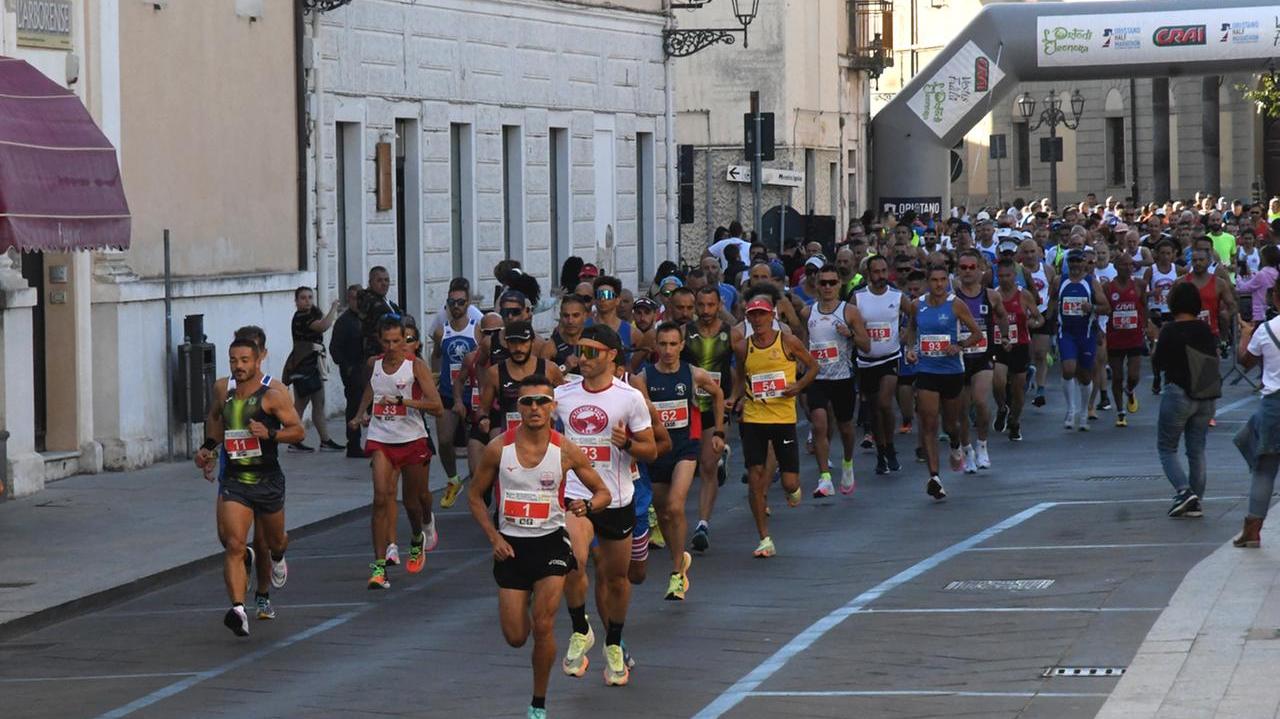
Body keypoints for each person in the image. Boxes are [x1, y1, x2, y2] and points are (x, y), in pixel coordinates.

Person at [468, 375, 611, 719]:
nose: (535, 408)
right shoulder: (498, 448)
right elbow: (474, 496)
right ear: (517, 407)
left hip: (550, 546)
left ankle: (538, 703)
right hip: (511, 550)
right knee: (516, 637)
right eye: (527, 402)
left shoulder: (566, 450)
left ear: (553, 407)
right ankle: (528, 608)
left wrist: (587, 506)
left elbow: (603, 493)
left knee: (543, 625)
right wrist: (494, 538)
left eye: (542, 402)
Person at [556, 324, 657, 686]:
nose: (582, 358)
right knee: (572, 560)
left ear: (612, 355)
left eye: (591, 352)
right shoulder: (562, 395)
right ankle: (580, 628)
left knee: (616, 578)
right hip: (576, 495)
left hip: (616, 498)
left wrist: (627, 444)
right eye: (579, 350)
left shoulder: (629, 398)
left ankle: (614, 642)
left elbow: (651, 449)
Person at [195, 337, 305, 636]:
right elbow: (217, 420)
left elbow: (298, 431)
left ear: (258, 361)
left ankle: (278, 556)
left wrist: (270, 433)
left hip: (267, 480)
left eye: (244, 360)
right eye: (234, 360)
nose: (238, 366)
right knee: (233, 544)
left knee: (274, 542)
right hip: (235, 480)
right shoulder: (224, 390)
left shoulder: (273, 395)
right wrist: (208, 449)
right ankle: (238, 610)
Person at [350, 316, 445, 588]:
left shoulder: (415, 366)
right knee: (380, 498)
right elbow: (372, 388)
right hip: (381, 438)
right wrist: (360, 414)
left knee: (411, 503)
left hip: (412, 439)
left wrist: (405, 401)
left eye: (397, 341)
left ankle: (416, 537)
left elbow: (437, 407)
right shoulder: (374, 364)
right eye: (386, 341)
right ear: (379, 340)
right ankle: (378, 569)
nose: (392, 347)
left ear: (405, 339)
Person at [636, 322, 724, 600]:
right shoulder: (643, 378)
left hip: (685, 448)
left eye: (673, 344)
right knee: (664, 513)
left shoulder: (693, 374)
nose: (668, 350)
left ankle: (676, 572)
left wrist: (719, 431)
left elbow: (718, 394)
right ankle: (679, 557)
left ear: (682, 345)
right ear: (655, 346)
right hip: (657, 451)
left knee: (675, 505)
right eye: (663, 344)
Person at [731, 284, 818, 558]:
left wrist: (798, 386)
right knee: (755, 478)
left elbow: (813, 366)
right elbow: (740, 377)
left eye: (762, 314)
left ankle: (793, 489)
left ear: (772, 316)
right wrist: (734, 398)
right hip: (754, 418)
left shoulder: (788, 342)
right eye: (753, 315)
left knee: (790, 482)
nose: (757, 320)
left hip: (783, 419)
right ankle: (764, 538)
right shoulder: (743, 347)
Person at [905, 265, 984, 500]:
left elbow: (977, 333)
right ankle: (935, 477)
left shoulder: (956, 304)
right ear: (927, 282)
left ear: (947, 282)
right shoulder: (917, 305)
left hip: (951, 371)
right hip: (927, 370)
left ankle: (955, 443)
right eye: (934, 280)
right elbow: (911, 329)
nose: (938, 284)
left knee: (951, 424)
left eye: (942, 280)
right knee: (929, 423)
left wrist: (959, 346)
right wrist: (911, 349)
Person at [1151, 282, 1217, 518]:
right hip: (1205, 395)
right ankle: (1196, 501)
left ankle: (1184, 490)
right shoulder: (1205, 329)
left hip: (1178, 392)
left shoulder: (1170, 330)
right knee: (1196, 450)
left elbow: (1158, 361)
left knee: (1167, 447)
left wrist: (1155, 342)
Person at [684, 286, 742, 552]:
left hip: (717, 409)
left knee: (707, 466)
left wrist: (735, 395)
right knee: (691, 465)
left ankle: (702, 524)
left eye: (711, 305)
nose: (706, 311)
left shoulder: (732, 333)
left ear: (719, 305)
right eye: (701, 305)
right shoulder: (684, 333)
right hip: (690, 409)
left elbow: (743, 366)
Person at [804, 264, 870, 494]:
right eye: (823, 283)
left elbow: (866, 345)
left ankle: (848, 462)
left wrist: (850, 334)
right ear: (817, 285)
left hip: (843, 378)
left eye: (832, 282)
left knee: (845, 428)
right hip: (817, 378)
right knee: (819, 425)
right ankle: (825, 478)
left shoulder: (849, 311)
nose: (828, 287)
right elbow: (802, 343)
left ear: (839, 284)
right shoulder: (808, 313)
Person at [954, 249, 1012, 471]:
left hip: (983, 355)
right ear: (958, 271)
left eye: (972, 267)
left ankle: (982, 445)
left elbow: (1002, 315)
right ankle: (967, 450)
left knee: (980, 401)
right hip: (959, 357)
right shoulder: (953, 297)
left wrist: (1004, 336)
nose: (968, 272)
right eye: (963, 268)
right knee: (961, 409)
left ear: (981, 270)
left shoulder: (991, 295)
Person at [1233, 289, 1280, 547]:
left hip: (1274, 406)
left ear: (1276, 299)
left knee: (1264, 470)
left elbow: (1245, 361)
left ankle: (1252, 530)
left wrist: (1245, 334)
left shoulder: (1266, 330)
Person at [432, 280, 479, 508]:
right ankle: (453, 479)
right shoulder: (441, 331)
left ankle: (479, 487)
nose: (457, 306)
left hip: (472, 393)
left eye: (461, 302)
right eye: (452, 302)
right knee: (444, 440)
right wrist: (434, 378)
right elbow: (436, 355)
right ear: (448, 304)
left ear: (468, 303)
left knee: (474, 445)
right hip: (448, 392)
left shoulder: (477, 329)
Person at [1053, 250, 1111, 431]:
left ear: (1084, 263)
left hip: (1086, 334)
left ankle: (1085, 411)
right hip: (1066, 333)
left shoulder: (1091, 282)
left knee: (1086, 376)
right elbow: (1052, 302)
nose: (1075, 265)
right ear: (1068, 263)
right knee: (1068, 369)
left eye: (1079, 261)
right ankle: (1071, 410)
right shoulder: (1059, 281)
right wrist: (1048, 323)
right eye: (1072, 261)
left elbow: (1106, 307)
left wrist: (1092, 307)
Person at [479, 322, 565, 439]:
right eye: (513, 343)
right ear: (506, 343)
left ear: (532, 342)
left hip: (544, 435)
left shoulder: (550, 369)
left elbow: (564, 402)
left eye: (523, 342)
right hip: (509, 435)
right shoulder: (495, 373)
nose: (518, 348)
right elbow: (483, 408)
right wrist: (483, 419)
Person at [285, 286, 342, 452]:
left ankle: (325, 440)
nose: (307, 301)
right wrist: (334, 308)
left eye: (310, 297)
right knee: (301, 403)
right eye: (303, 298)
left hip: (313, 364)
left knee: (319, 402)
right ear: (296, 301)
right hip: (303, 365)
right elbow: (323, 326)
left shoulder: (310, 314)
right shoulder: (301, 317)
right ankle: (293, 439)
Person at [992, 258, 1043, 441]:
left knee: (1018, 389)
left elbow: (1039, 317)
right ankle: (1001, 408)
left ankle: (1015, 421)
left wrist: (1032, 323)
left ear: (1015, 275)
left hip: (1019, 345)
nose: (1005, 279)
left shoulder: (1024, 295)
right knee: (998, 382)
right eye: (1001, 276)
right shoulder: (993, 295)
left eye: (1008, 275)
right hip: (999, 344)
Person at [1105, 253, 1151, 428]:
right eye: (1124, 264)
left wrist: (1146, 326)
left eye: (1131, 264)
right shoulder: (1107, 287)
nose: (1128, 268)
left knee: (1133, 376)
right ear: (1116, 266)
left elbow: (1144, 306)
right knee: (1117, 376)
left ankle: (1130, 390)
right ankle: (1120, 412)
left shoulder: (1139, 284)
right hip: (1115, 336)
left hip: (1134, 336)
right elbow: (1104, 310)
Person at [330, 284, 366, 457]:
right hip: (354, 371)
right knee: (354, 406)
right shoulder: (344, 322)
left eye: (360, 298)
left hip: (369, 368)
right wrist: (347, 367)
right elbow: (335, 348)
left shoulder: (367, 318)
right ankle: (353, 444)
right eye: (353, 298)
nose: (357, 302)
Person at [1148, 241, 1180, 395]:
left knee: (1172, 348)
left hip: (1172, 312)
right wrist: (1151, 293)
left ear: (1173, 254)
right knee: (1156, 348)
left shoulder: (1177, 270)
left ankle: (1169, 376)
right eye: (1162, 253)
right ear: (1156, 254)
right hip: (1156, 312)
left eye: (1168, 253)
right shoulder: (1151, 271)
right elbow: (1142, 293)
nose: (1165, 256)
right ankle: (1156, 376)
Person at [357, 266, 402, 360]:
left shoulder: (386, 302)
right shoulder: (372, 303)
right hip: (378, 354)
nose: (384, 284)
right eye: (379, 280)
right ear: (370, 283)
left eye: (386, 280)